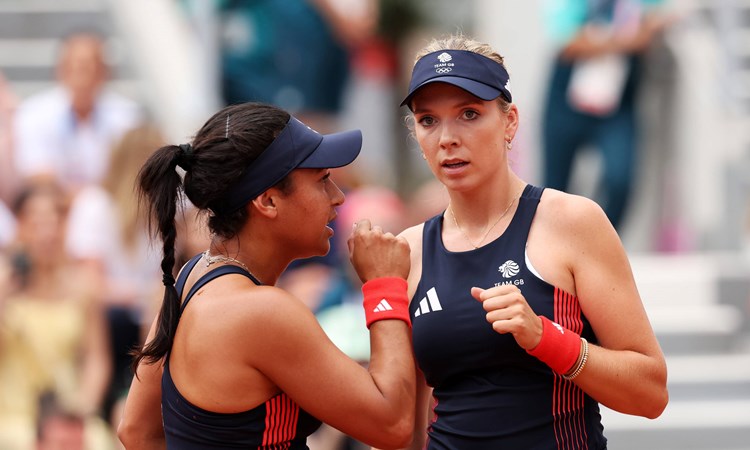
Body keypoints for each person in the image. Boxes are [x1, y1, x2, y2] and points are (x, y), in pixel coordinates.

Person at [393, 34, 668, 449]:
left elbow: (650, 392)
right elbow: (403, 426)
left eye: (469, 114)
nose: (447, 137)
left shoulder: (571, 221)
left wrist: (547, 339)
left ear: (510, 122)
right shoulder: (408, 252)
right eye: (428, 120)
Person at [117, 102, 416, 449]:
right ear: (268, 201)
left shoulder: (192, 275)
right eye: (322, 180)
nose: (338, 197)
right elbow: (393, 424)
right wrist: (384, 284)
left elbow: (136, 431)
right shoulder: (262, 312)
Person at [541, 0, 669, 230]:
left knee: (621, 179)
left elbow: (662, 17)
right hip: (567, 96)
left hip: (618, 100)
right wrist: (626, 40)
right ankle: (556, 249)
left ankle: (599, 245)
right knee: (555, 187)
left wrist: (605, 40)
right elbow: (567, 42)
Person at [13, 30, 141, 191]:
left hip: (111, 206)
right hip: (55, 209)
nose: (82, 77)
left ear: (105, 72)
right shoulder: (33, 113)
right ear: (60, 69)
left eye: (89, 67)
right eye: (75, 67)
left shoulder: (127, 116)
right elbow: (35, 173)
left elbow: (131, 173)